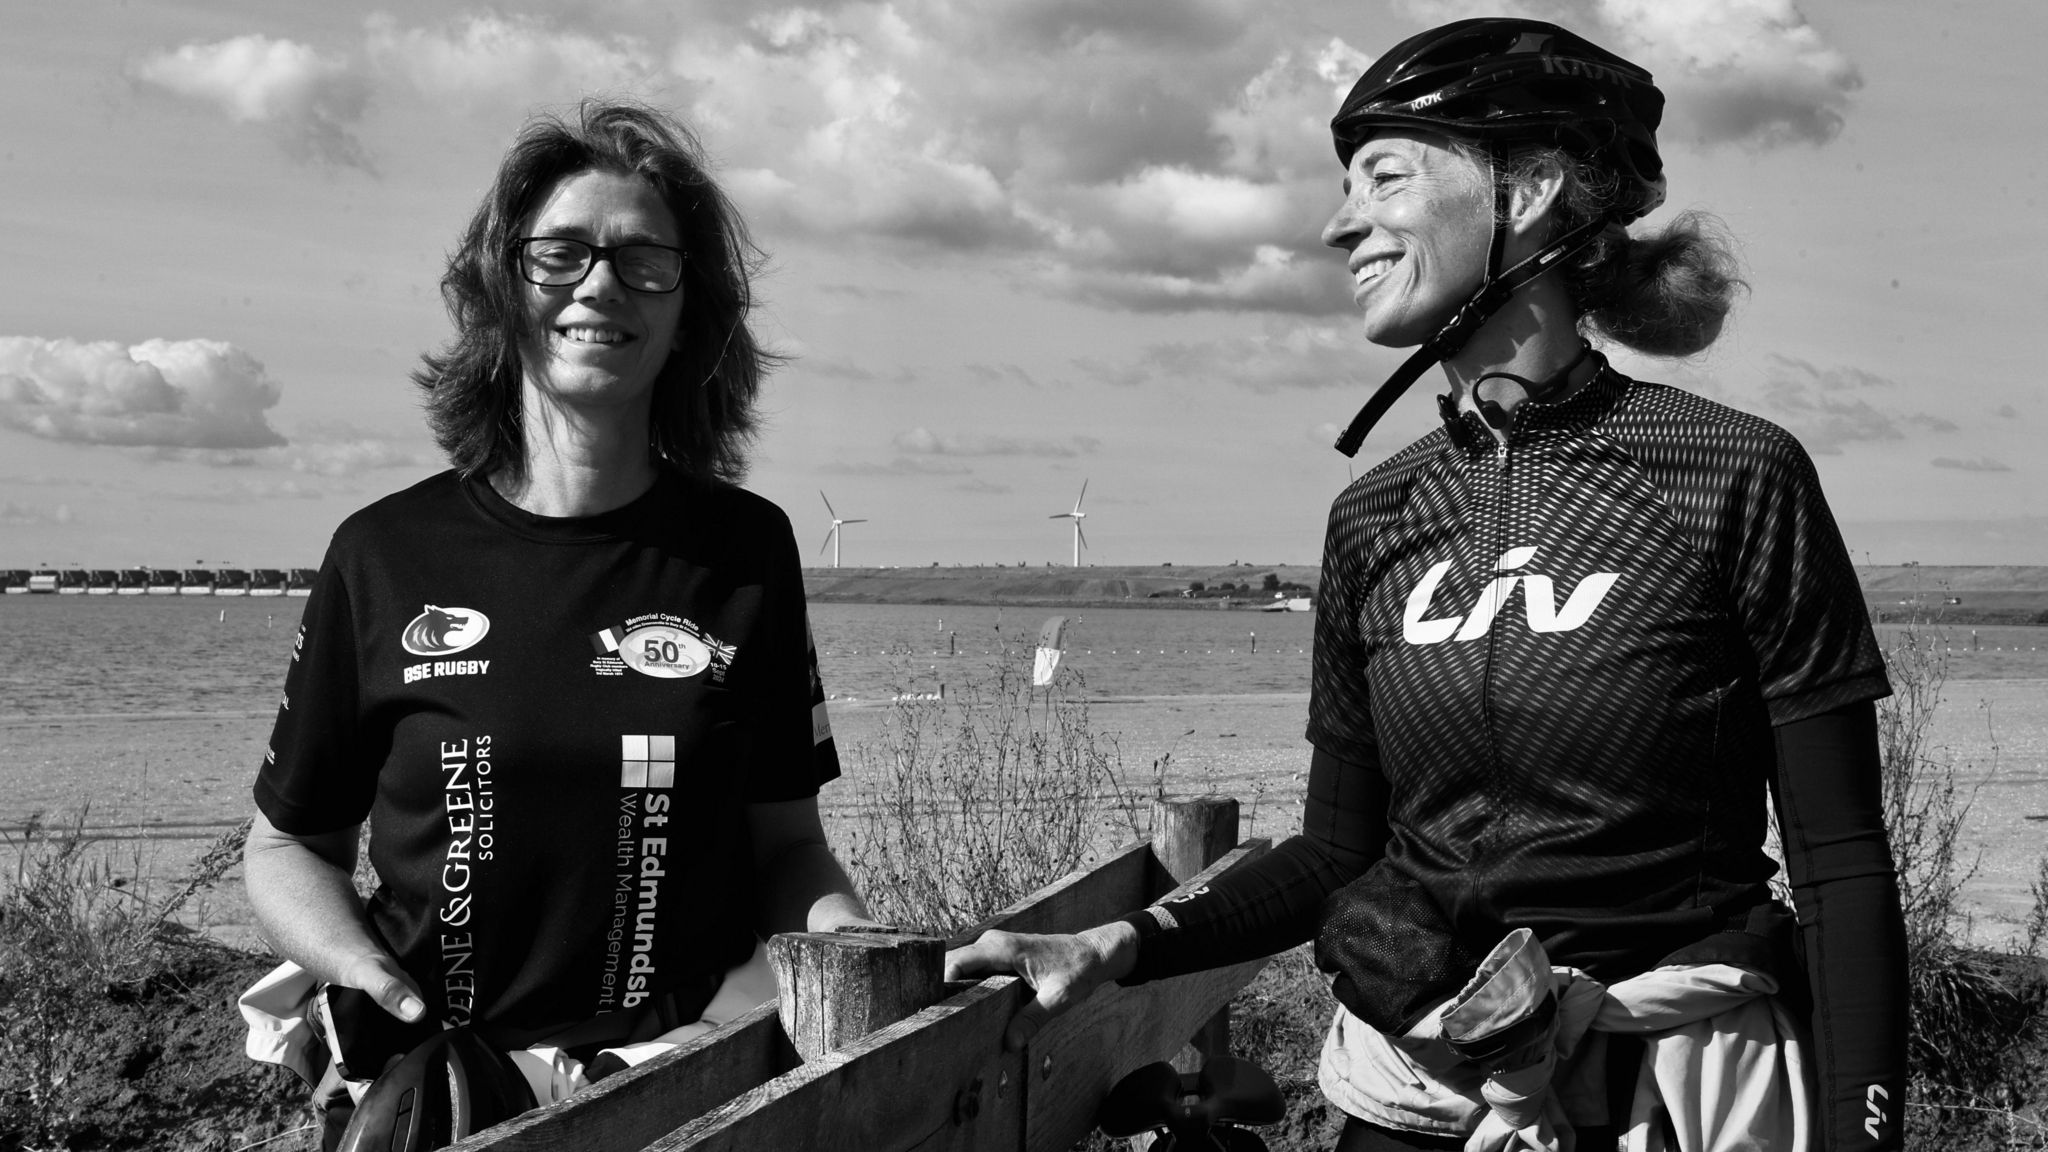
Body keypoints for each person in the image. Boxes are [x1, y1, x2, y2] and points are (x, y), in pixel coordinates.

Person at [947, 19, 1906, 1152]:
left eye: (1384, 178)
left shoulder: (1732, 474)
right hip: (1413, 1096)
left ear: (1534, 187)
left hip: (1669, 1095)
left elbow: (1838, 864)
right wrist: (1122, 942)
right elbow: (1337, 854)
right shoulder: (1373, 516)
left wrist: (1861, 1130)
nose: (1337, 222)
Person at [242, 100, 878, 1146]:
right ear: (501, 287)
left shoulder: (746, 553)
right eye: (561, 254)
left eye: (643, 261)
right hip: (439, 1088)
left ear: (688, 313)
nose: (599, 285)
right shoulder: (383, 555)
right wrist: (356, 968)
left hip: (684, 1082)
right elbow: (286, 845)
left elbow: (788, 849)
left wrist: (864, 950)